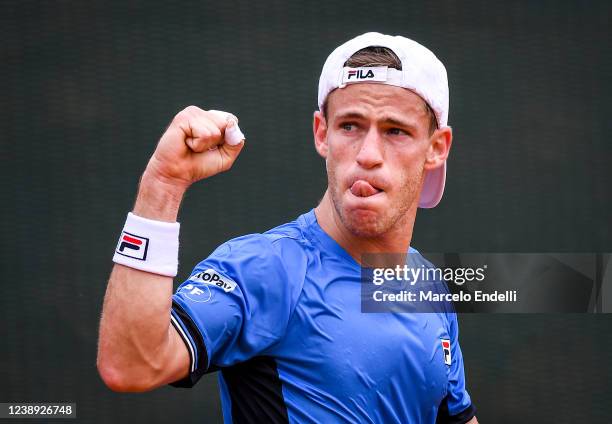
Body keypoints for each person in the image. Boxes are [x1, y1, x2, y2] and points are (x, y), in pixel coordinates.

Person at [97, 32, 478, 424]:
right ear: (321, 133)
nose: (368, 155)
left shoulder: (427, 285)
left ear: (437, 147)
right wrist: (162, 184)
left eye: (395, 131)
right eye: (350, 126)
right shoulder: (262, 268)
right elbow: (130, 365)